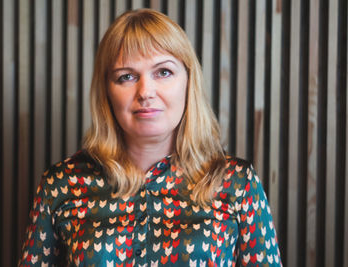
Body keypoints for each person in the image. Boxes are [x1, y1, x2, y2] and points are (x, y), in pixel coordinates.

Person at [18, 9, 282, 267]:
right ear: (107, 91)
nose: (145, 91)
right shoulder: (61, 184)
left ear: (189, 82)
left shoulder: (237, 183)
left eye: (163, 72)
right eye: (127, 77)